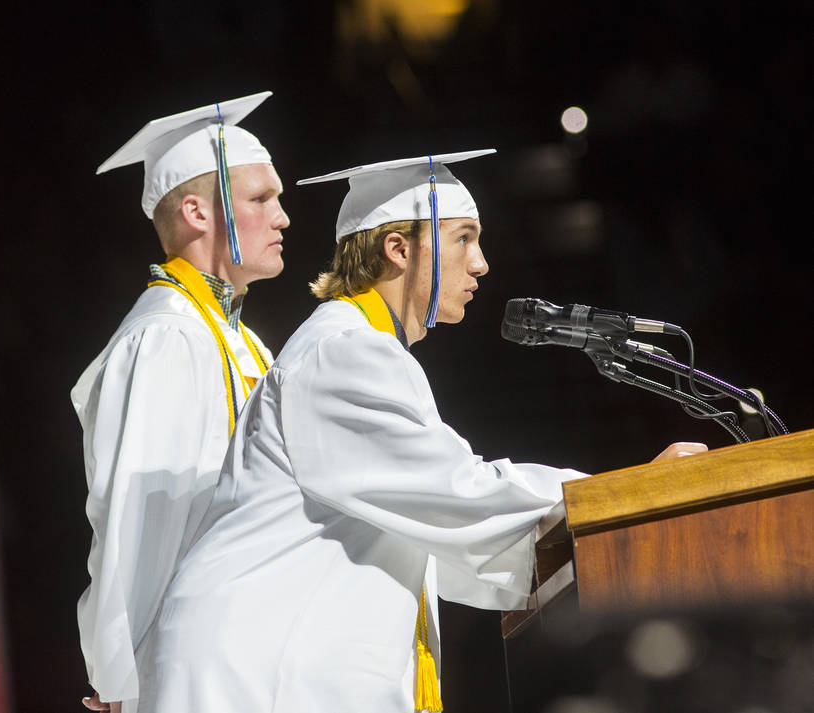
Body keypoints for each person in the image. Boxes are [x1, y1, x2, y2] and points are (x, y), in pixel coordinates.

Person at [131, 151, 706, 713]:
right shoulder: (345, 352)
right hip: (254, 669)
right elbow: (457, 492)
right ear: (398, 248)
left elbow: (432, 531)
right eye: (463, 239)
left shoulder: (357, 346)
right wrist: (624, 498)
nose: (480, 263)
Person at [71, 92, 290, 712]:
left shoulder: (244, 341)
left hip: (247, 657)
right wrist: (119, 678)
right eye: (260, 199)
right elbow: (136, 519)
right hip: (186, 673)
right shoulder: (165, 338)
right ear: (198, 210)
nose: (283, 218)